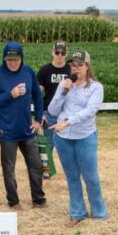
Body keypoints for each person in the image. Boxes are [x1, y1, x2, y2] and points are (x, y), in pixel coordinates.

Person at [0, 41, 46, 209]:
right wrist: (9, 94)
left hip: (27, 129)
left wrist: (38, 119)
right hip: (7, 132)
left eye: (16, 59)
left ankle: (39, 200)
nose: (12, 62)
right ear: (4, 58)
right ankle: (14, 201)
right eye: (9, 59)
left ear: (21, 58)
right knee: (9, 169)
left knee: (35, 166)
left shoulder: (28, 72)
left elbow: (38, 97)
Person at [48, 50, 107, 225]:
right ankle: (77, 212)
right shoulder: (64, 85)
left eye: (80, 65)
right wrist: (62, 92)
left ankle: (99, 212)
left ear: (87, 67)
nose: (76, 68)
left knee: (90, 177)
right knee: (72, 176)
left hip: (85, 137)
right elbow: (52, 111)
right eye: (73, 65)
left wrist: (68, 121)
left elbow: (89, 111)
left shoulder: (96, 87)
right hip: (63, 138)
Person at [37, 40, 71, 178]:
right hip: (49, 113)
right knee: (47, 143)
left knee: (69, 142)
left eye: (62, 53)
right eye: (57, 52)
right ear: (52, 52)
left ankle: (71, 170)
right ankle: (47, 170)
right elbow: (38, 94)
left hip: (67, 113)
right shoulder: (45, 70)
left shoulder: (70, 70)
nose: (59, 55)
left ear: (66, 54)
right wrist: (40, 114)